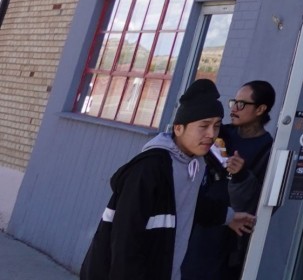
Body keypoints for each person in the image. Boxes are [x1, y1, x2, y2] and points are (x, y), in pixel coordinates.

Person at [81, 78, 253, 280]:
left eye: (216, 126)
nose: (211, 134)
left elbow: (186, 203)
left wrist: (228, 217)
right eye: (204, 126)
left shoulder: (195, 163)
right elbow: (125, 239)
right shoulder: (150, 168)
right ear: (178, 128)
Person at [182, 81, 277, 280]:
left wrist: (241, 174)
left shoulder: (268, 149)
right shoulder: (221, 133)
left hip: (230, 237)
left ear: (260, 109)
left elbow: (259, 202)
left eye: (241, 104)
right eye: (234, 102)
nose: (233, 108)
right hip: (200, 221)